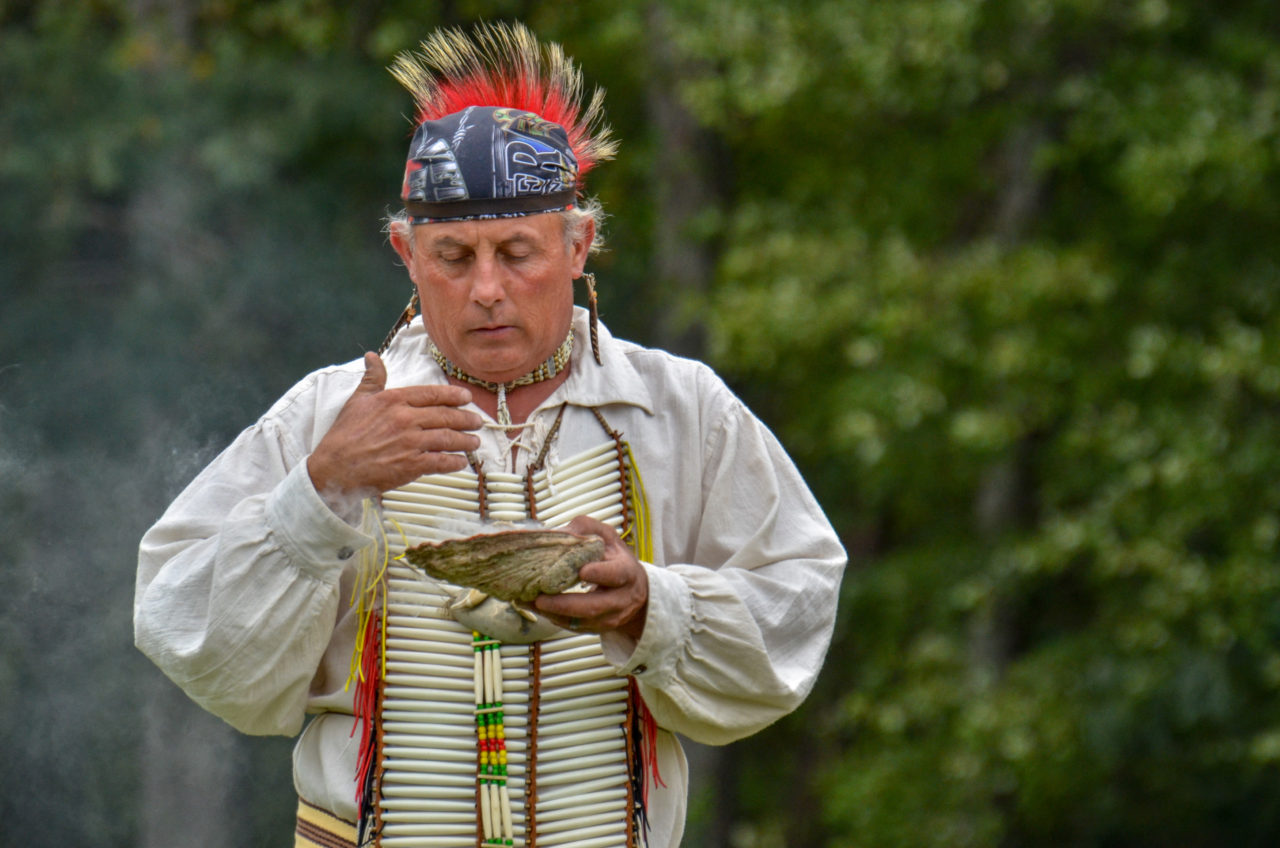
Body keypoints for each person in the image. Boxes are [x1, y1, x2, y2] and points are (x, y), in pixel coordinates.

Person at [134, 21, 846, 848]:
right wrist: (320, 490)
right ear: (406, 253)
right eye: (453, 255)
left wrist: (654, 604)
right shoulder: (329, 416)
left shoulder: (680, 410)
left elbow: (796, 605)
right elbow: (183, 630)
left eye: (517, 251)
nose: (486, 290)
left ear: (580, 244)